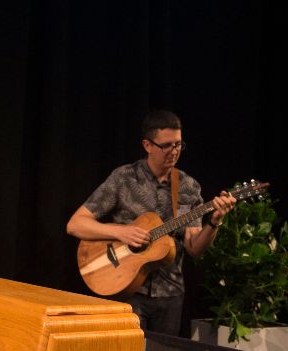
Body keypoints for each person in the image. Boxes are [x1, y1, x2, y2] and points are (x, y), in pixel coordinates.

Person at [66, 110, 234, 335]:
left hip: (170, 294)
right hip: (126, 289)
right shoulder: (124, 178)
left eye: (178, 144)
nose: (174, 152)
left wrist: (214, 223)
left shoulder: (188, 187)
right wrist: (121, 233)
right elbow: (75, 225)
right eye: (166, 146)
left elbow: (194, 247)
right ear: (148, 145)